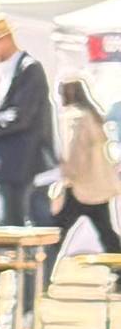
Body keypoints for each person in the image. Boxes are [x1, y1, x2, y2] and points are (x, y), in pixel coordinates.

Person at [47, 78, 121, 283]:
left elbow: (74, 153)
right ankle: (120, 276)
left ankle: (41, 276)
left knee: (56, 234)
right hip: (97, 188)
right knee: (106, 234)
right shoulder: (93, 116)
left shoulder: (74, 117)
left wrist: (66, 176)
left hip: (78, 187)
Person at [0, 18, 55, 228]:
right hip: (9, 169)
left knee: (18, 227)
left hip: (23, 169)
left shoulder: (29, 69)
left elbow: (21, 116)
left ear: (4, 40)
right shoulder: (6, 71)